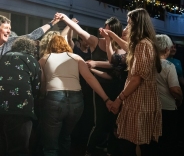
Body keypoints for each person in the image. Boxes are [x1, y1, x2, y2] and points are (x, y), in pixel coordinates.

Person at [0, 15, 59, 155]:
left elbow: (32, 35)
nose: (9, 31)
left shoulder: (10, 43)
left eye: (10, 28)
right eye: (6, 28)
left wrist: (52, 23)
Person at [55, 13, 123, 156]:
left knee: (114, 121)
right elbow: (79, 31)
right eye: (105, 27)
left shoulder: (118, 45)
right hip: (97, 85)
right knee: (99, 121)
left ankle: (108, 148)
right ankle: (89, 150)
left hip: (115, 85)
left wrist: (96, 63)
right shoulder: (95, 41)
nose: (103, 31)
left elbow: (115, 65)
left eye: (108, 29)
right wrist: (65, 18)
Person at [38, 35, 112, 156]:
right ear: (66, 45)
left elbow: (42, 83)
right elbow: (90, 78)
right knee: (66, 137)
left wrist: (42, 97)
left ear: (50, 45)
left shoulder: (44, 58)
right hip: (76, 100)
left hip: (54, 98)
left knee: (51, 144)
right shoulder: (76, 58)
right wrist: (106, 99)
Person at [110, 8, 162, 156]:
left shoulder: (143, 45)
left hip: (139, 101)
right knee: (139, 144)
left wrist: (119, 99)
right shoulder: (146, 43)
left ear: (137, 25)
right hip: (143, 100)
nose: (126, 28)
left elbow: (137, 79)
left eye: (129, 24)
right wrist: (113, 36)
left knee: (131, 145)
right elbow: (129, 48)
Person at [0, 37, 41, 156]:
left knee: (3, 141)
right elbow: (36, 86)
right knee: (18, 148)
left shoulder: (0, 58)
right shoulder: (31, 59)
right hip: (18, 107)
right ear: (31, 49)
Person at [155, 34, 183, 156]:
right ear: (167, 48)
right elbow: (175, 90)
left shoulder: (148, 64)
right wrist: (180, 99)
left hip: (152, 107)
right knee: (168, 140)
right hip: (167, 108)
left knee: (155, 141)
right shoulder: (168, 65)